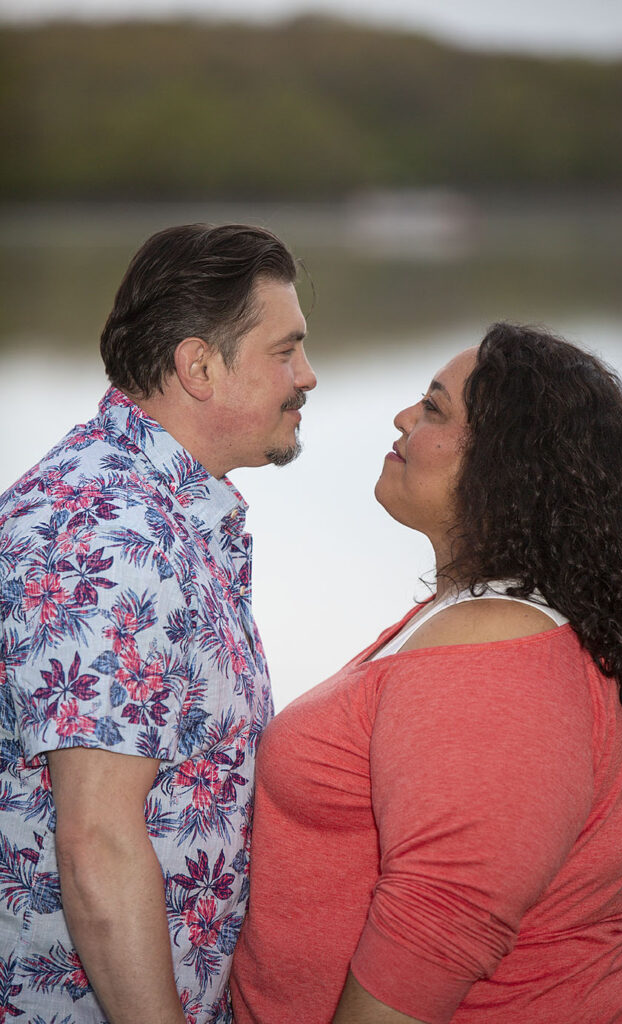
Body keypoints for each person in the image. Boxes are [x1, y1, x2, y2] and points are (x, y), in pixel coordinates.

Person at [231, 323, 622, 1024]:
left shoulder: (495, 650)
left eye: (434, 409)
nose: (403, 418)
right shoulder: (480, 617)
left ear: (507, 466)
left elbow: (441, 923)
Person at [0, 222, 316, 1023]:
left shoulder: (163, 513)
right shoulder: (104, 535)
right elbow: (97, 844)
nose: (307, 376)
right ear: (199, 366)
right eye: (285, 351)